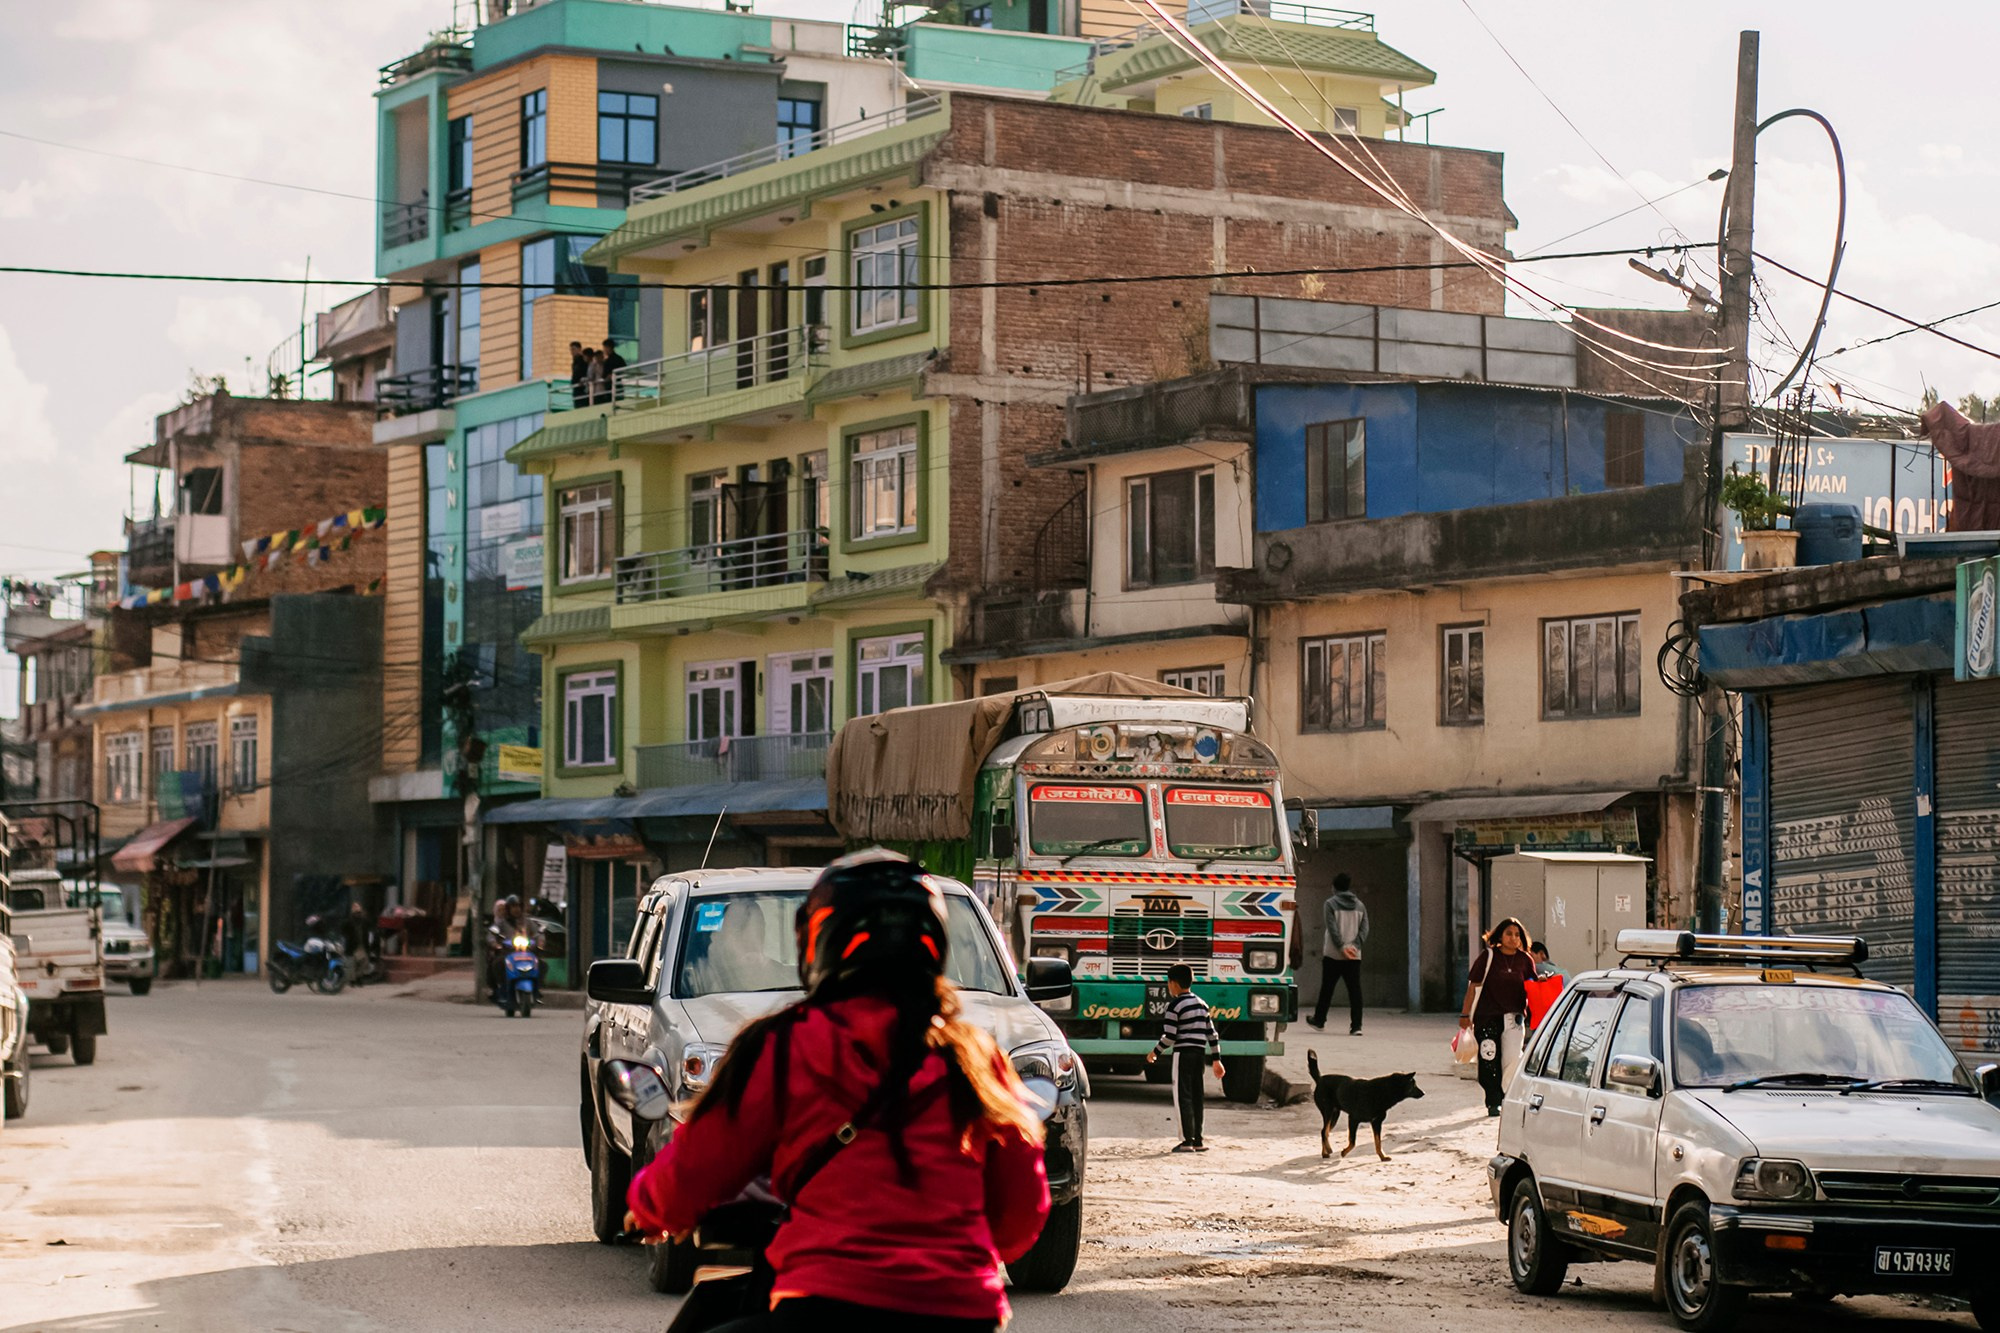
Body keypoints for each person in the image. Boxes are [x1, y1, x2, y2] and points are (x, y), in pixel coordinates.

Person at [623, 850, 1049, 1332]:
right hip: (964, 1311)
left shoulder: (787, 1046)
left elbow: (699, 1166)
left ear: (819, 941)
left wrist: (650, 1208)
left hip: (824, 1306)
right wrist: (946, 1255)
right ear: (934, 944)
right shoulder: (976, 1056)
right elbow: (1020, 1213)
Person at [1458, 918, 1536, 1117]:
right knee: (1489, 1057)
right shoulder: (1488, 956)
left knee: (1511, 1059)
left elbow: (1532, 986)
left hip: (1514, 1019)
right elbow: (1473, 986)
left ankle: (1507, 1095)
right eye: (1509, 933)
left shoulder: (1525, 960)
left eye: (1517, 934)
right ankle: (1493, 1101)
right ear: (1500, 935)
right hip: (1487, 1017)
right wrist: (1465, 1014)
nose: (1513, 938)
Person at [1145, 963, 1225, 1153]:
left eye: (1169, 983)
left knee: (1183, 1096)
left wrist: (1155, 1052)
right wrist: (1216, 1059)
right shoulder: (1202, 1004)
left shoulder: (1175, 1006)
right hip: (1199, 1055)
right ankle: (1198, 1139)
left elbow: (1170, 1036)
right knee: (1197, 1096)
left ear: (1173, 983)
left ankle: (1186, 1140)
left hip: (1183, 1055)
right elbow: (1212, 1035)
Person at [1307, 874, 1369, 1035]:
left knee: (1327, 989)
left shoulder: (1330, 904)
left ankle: (1319, 1021)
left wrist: (1341, 947)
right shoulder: (1360, 905)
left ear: (1334, 887)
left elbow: (1332, 928)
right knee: (1355, 991)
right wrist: (1354, 947)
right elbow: (1364, 929)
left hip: (1333, 954)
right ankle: (1356, 1026)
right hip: (1354, 956)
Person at [598, 337, 627, 404]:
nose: (604, 350)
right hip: (613, 387)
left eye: (604, 348)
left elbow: (624, 371)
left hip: (613, 387)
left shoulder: (615, 359)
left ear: (609, 348)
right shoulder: (614, 359)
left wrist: (612, 376)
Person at [568, 341, 589, 408]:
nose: (572, 352)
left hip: (582, 389)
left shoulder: (583, 360)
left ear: (579, 349)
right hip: (576, 389)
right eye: (571, 350)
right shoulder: (574, 362)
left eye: (573, 349)